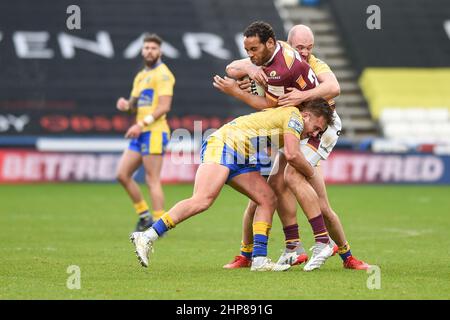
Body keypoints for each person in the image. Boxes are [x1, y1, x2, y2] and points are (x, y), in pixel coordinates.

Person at [223, 24, 370, 270]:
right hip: (294, 130)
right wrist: (250, 68)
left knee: (302, 187)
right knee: (268, 192)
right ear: (286, 43)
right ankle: (282, 248)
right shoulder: (268, 59)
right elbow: (233, 69)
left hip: (319, 129)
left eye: (309, 48)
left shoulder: (312, 64)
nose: (304, 52)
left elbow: (333, 88)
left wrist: (300, 96)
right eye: (300, 47)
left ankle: (339, 251)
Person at [130, 99, 335, 272]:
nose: (314, 134)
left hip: (243, 154)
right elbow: (292, 155)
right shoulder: (294, 117)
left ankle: (260, 259)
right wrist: (310, 172)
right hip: (224, 144)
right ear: (306, 115)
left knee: (267, 199)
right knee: (202, 200)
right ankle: (147, 235)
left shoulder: (291, 120)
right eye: (316, 127)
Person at [116, 33, 175, 232]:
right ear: (142, 50)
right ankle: (145, 216)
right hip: (141, 131)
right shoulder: (141, 76)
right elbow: (134, 105)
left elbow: (164, 106)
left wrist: (141, 124)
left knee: (152, 179)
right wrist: (125, 105)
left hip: (155, 131)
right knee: (122, 174)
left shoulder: (164, 74)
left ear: (160, 51)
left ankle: (159, 225)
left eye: (153, 48)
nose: (149, 51)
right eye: (146, 48)